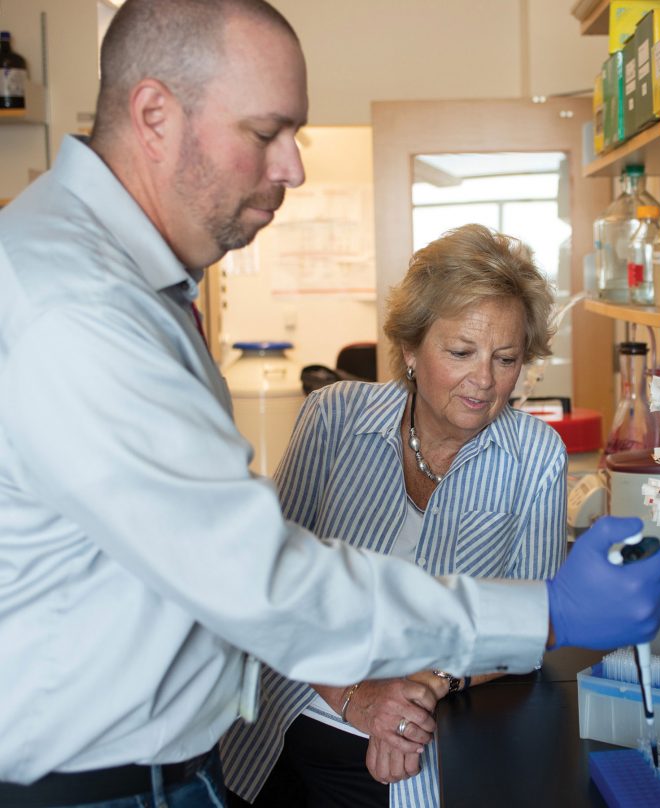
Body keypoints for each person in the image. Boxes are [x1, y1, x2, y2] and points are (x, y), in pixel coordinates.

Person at [0, 1, 660, 805]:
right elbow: (263, 579)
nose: (294, 168)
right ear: (154, 114)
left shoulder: (116, 279)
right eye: (265, 133)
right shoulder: (79, 304)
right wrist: (546, 615)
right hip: (105, 785)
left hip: (171, 765)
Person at [222, 223, 569, 808]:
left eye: (505, 359)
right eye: (460, 352)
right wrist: (356, 696)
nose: (483, 381)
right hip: (285, 722)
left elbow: (529, 629)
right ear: (410, 349)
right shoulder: (332, 418)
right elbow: (267, 581)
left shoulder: (536, 456)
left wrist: (428, 687)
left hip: (426, 747)